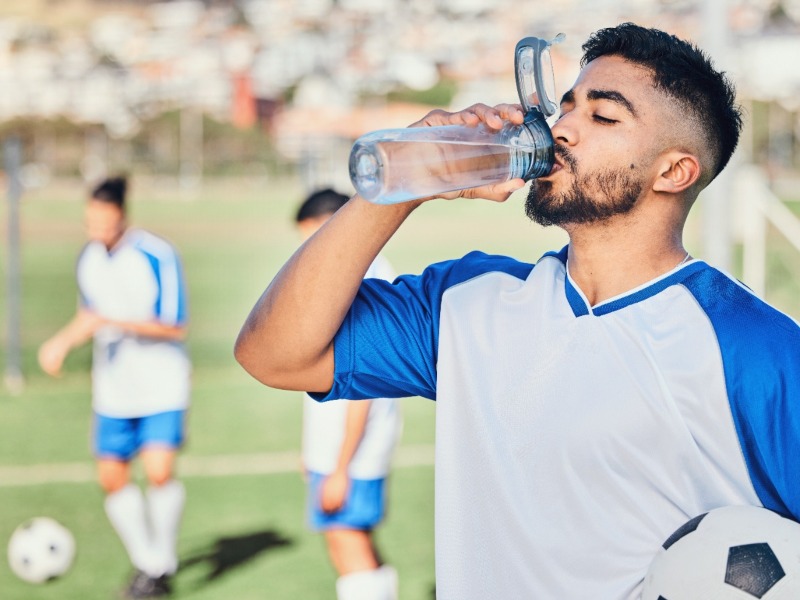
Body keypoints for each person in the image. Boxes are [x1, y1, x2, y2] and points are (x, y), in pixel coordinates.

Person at [234, 23, 800, 599]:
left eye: (603, 117)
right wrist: (401, 180)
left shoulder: (758, 350)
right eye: (568, 105)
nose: (564, 130)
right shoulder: (465, 301)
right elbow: (273, 354)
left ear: (673, 171)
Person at [39, 176, 190, 599]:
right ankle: (150, 564)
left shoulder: (156, 254)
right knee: (112, 479)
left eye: (103, 221)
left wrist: (112, 322)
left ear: (122, 215)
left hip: (161, 383)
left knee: (159, 472)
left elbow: (175, 325)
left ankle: (163, 560)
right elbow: (88, 315)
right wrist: (61, 343)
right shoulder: (87, 258)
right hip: (113, 388)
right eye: (89, 221)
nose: (96, 230)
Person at [295, 188, 401, 600]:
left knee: (346, 542)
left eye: (312, 234)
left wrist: (340, 465)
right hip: (338, 446)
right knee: (354, 540)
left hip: (354, 448)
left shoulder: (364, 275)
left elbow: (365, 384)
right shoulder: (343, 271)